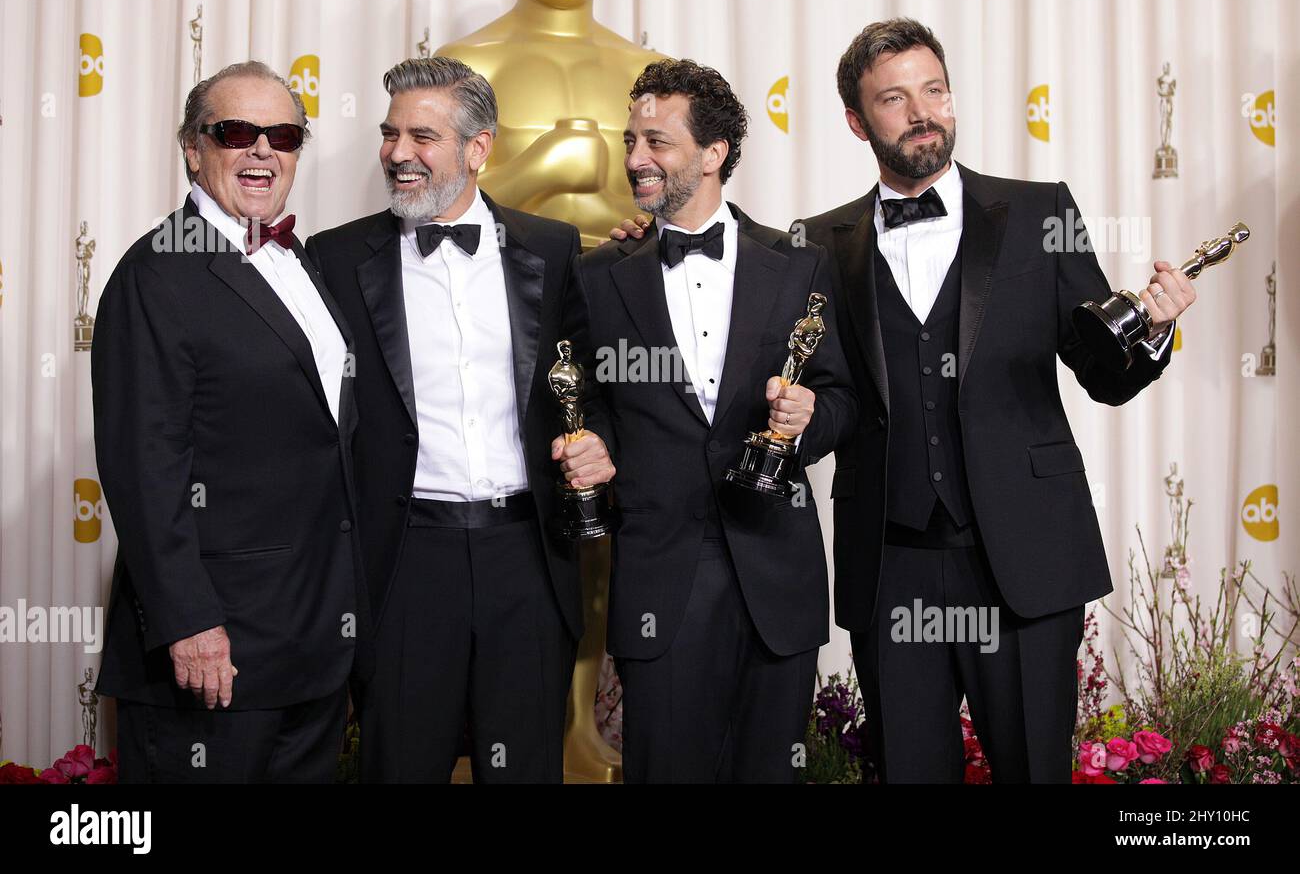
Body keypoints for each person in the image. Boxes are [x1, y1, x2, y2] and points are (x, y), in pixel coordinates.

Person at [797, 18, 1195, 782]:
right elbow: (818, 389)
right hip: (892, 564)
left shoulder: (1040, 211)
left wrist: (1152, 330)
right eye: (893, 98)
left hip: (1025, 556)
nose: (922, 110)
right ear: (856, 120)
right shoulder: (817, 242)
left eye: (935, 90)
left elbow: (1100, 372)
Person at [307, 57, 614, 783]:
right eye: (389, 134)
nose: (397, 153)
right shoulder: (336, 257)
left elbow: (593, 384)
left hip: (529, 556)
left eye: (422, 135)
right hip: (405, 560)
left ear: (479, 148)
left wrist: (602, 443)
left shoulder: (551, 246)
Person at [582, 59, 857, 782]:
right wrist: (594, 450)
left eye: (657, 142)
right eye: (630, 140)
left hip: (778, 579)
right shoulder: (601, 275)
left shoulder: (799, 264)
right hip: (660, 584)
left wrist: (808, 419)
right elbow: (594, 407)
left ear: (713, 154)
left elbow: (842, 399)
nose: (636, 157)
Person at [93, 61, 363, 783]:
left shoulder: (301, 263)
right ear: (192, 146)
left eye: (282, 134)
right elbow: (143, 466)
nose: (262, 150)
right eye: (237, 131)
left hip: (311, 650)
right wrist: (188, 623)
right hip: (217, 655)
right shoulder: (154, 274)